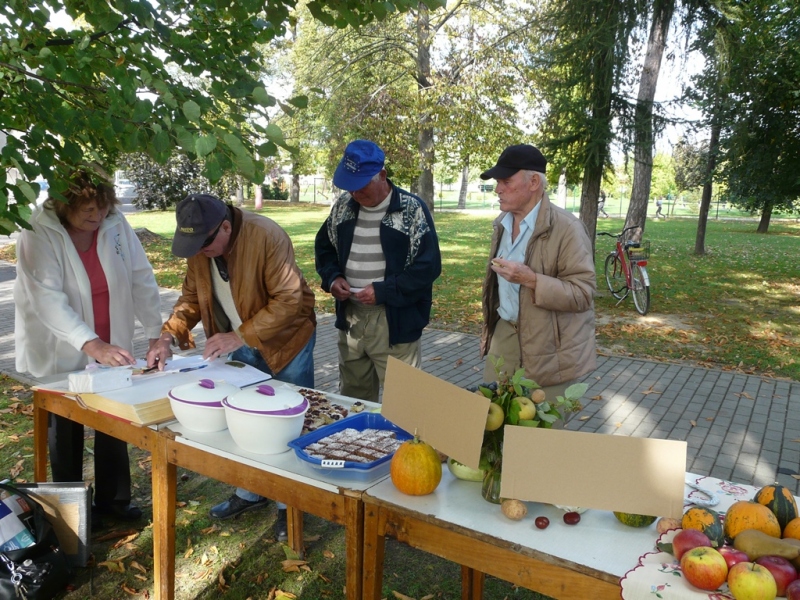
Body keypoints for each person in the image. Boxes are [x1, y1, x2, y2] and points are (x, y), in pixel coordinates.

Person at [145, 193, 316, 541]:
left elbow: (289, 300)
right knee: (245, 422)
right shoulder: (201, 248)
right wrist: (166, 336)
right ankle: (250, 491)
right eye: (192, 243)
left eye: (204, 242)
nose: (199, 250)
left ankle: (290, 506)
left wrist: (239, 336)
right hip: (239, 342)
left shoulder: (266, 235)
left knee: (287, 425)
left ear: (225, 226)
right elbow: (191, 299)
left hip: (287, 342)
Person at [14, 171, 163, 523]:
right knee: (65, 429)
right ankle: (73, 515)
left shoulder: (115, 222)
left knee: (113, 419)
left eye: (101, 207)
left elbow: (140, 275)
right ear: (64, 206)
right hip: (61, 341)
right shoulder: (39, 229)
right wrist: (91, 343)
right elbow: (47, 298)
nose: (95, 216)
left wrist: (156, 331)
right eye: (86, 210)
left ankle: (114, 503)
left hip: (111, 335)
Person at [315, 140, 442, 402]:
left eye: (361, 186)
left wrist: (384, 291)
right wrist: (333, 278)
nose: (354, 193)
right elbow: (324, 248)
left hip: (394, 320)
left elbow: (428, 267)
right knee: (353, 398)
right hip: (351, 317)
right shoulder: (343, 206)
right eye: (349, 187)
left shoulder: (411, 209)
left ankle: (407, 445)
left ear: (382, 176)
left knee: (405, 401)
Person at [479, 144, 596, 418]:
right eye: (498, 182)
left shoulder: (567, 228)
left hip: (550, 351)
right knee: (490, 433)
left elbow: (583, 293)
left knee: (541, 445)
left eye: (506, 181)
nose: (498, 189)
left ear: (534, 182)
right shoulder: (502, 224)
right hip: (504, 340)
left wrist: (532, 280)